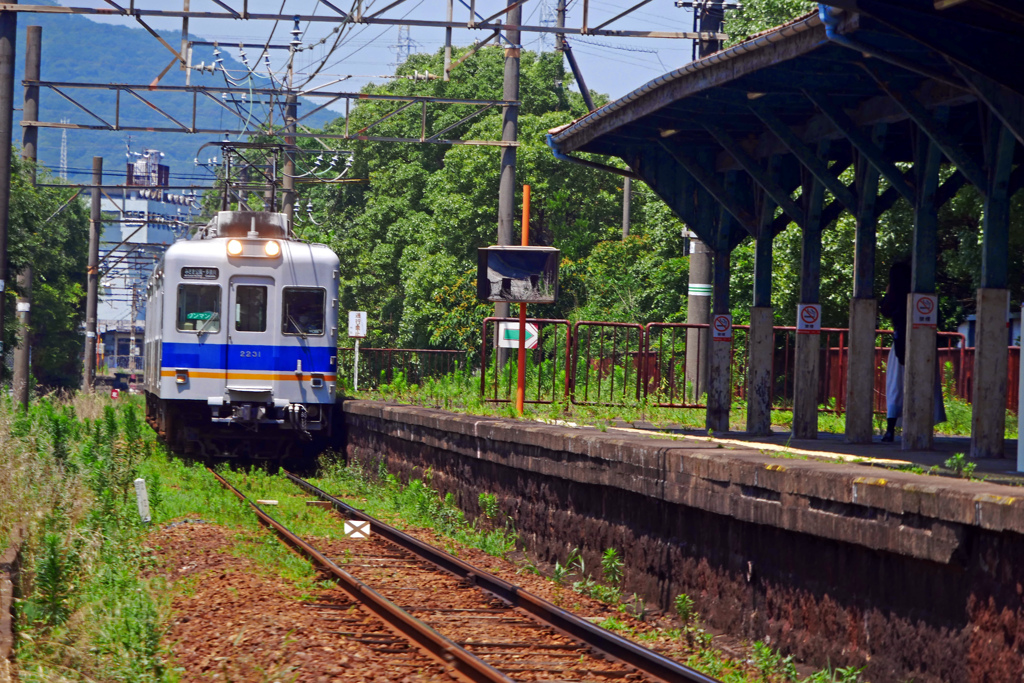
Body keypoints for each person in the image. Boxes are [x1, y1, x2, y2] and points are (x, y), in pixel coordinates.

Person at [878, 262, 947, 442]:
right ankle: (922, 429)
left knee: (896, 386)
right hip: (925, 344)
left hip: (899, 342)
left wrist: (887, 292)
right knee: (924, 383)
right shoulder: (923, 295)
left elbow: (884, 310)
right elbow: (937, 318)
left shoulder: (894, 296)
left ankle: (890, 430)